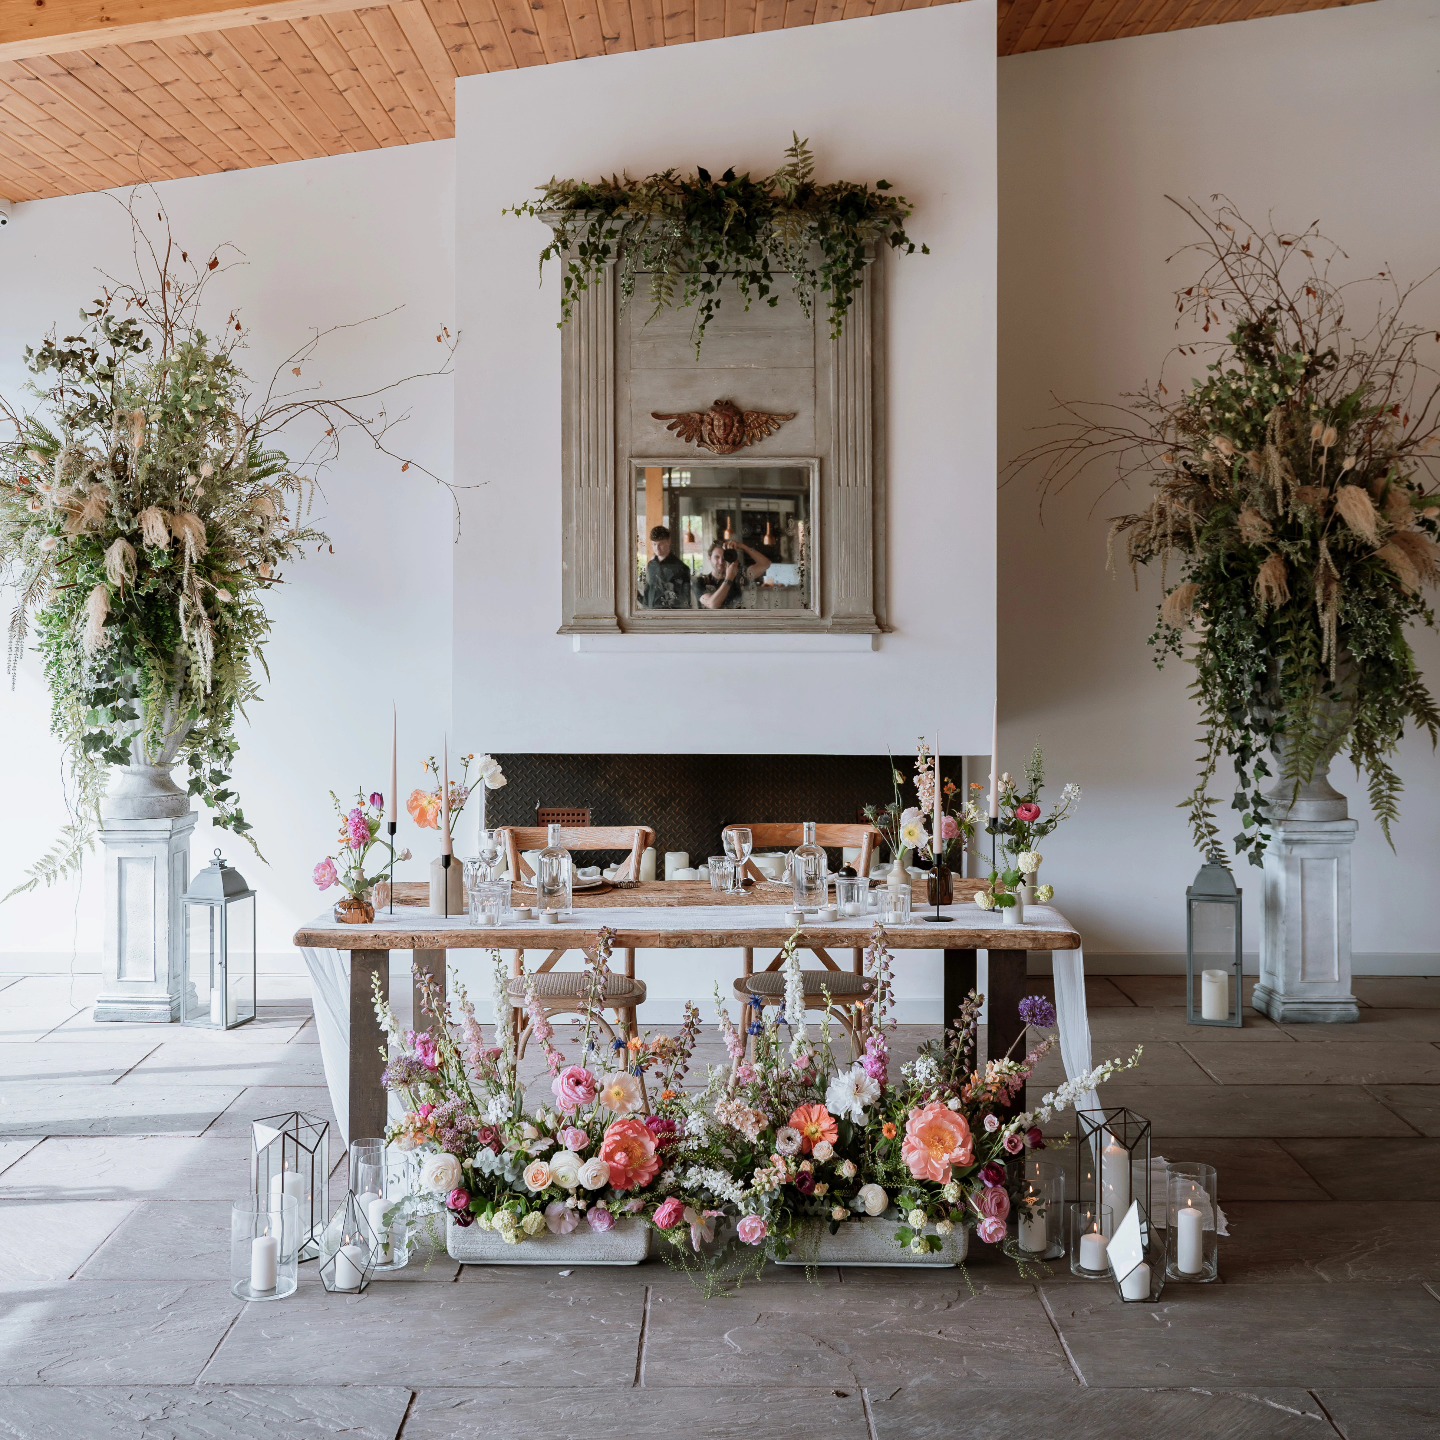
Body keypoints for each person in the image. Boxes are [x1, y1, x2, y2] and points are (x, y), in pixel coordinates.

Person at [694, 536, 771, 610]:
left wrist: (743, 547)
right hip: (712, 623)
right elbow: (713, 604)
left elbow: (765, 564)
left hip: (737, 621)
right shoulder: (701, 581)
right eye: (717, 557)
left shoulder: (739, 576)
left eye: (724, 557)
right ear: (709, 558)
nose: (721, 562)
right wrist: (729, 578)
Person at [640, 525, 693, 609]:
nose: (657, 548)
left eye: (660, 544)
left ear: (668, 542)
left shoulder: (681, 568)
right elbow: (647, 591)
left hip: (671, 617)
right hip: (650, 616)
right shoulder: (650, 565)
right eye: (654, 544)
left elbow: (686, 601)